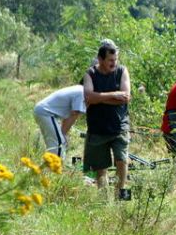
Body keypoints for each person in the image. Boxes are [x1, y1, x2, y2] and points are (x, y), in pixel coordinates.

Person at [82, 42, 131, 199]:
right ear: (100, 59)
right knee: (100, 167)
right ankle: (103, 200)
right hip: (98, 128)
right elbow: (89, 97)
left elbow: (125, 97)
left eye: (115, 59)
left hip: (119, 127)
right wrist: (112, 95)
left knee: (122, 161)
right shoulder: (90, 74)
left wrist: (99, 97)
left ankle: (121, 197)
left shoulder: (122, 71)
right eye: (110, 60)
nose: (113, 63)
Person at [33, 84, 86, 162]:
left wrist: (63, 134)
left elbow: (68, 115)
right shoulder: (82, 93)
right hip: (46, 112)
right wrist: (63, 134)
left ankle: (53, 167)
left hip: (44, 112)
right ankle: (54, 170)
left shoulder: (80, 90)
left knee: (58, 142)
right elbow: (74, 114)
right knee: (58, 144)